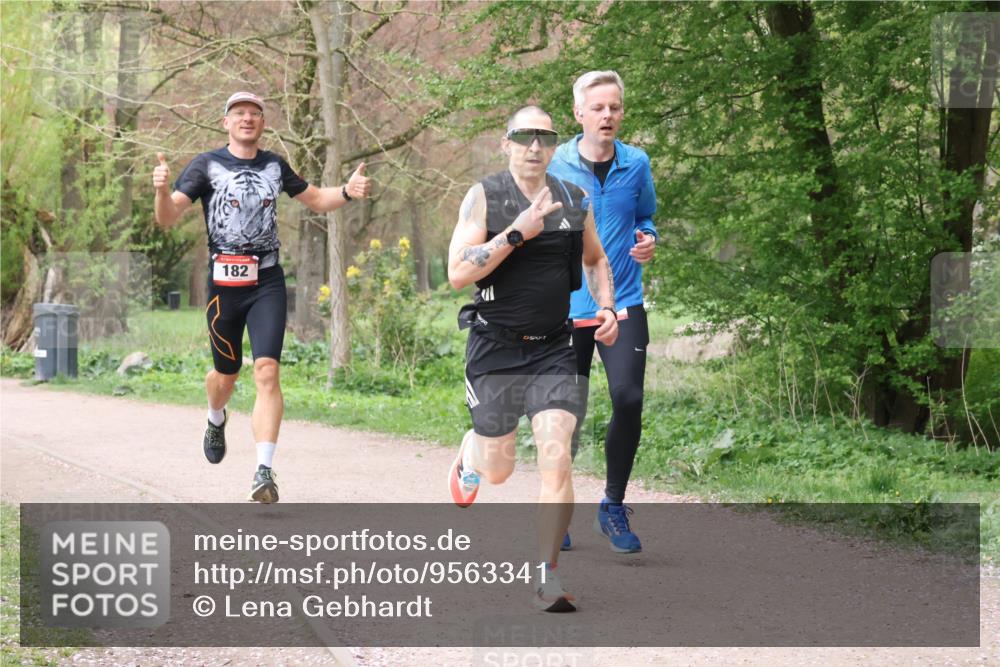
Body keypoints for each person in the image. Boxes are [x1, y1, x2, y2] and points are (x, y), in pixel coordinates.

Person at [152, 91, 371, 503]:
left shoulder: (274, 165)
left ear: (263, 124)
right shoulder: (206, 165)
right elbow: (167, 217)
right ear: (226, 122)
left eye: (254, 114)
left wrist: (347, 190)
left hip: (267, 279)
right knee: (225, 377)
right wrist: (162, 191)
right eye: (239, 114)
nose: (247, 119)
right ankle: (216, 417)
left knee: (267, 371)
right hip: (224, 286)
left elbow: (317, 199)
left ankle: (263, 470)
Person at [446, 105, 618, 612]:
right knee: (499, 469)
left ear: (554, 144)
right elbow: (458, 273)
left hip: (553, 348)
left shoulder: (573, 199)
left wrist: (607, 305)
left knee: (556, 453)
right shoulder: (485, 196)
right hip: (495, 347)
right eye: (524, 137)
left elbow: (596, 259)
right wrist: (516, 232)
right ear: (507, 143)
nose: (535, 146)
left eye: (545, 137)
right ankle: (471, 455)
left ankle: (547, 576)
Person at [548, 71, 657, 554]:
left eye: (614, 107)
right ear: (579, 114)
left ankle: (612, 505)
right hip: (566, 306)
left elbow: (646, 215)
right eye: (598, 108)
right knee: (565, 413)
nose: (607, 115)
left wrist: (650, 238)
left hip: (625, 302)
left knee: (629, 398)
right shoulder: (554, 163)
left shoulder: (637, 163)